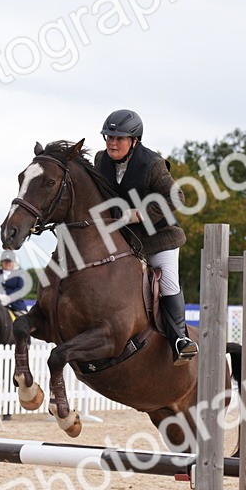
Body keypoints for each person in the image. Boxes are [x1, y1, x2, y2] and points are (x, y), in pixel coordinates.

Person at [94, 109, 198, 364]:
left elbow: (176, 197)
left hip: (159, 238)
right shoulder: (101, 160)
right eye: (109, 137)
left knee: (168, 283)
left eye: (118, 138)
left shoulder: (152, 164)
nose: (112, 143)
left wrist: (138, 214)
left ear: (134, 141)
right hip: (125, 239)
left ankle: (179, 340)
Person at [0, 251, 29, 315]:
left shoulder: (19, 274)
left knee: (23, 321)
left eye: (9, 261)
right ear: (1, 262)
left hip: (16, 305)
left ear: (13, 263)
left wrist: (9, 298)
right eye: (5, 261)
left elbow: (20, 288)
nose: (7, 263)